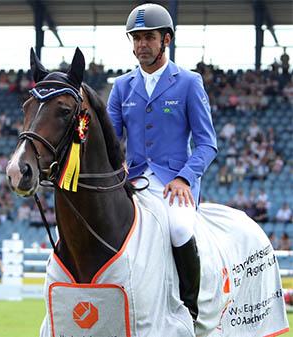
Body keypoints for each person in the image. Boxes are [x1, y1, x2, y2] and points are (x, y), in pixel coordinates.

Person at [107, 3, 218, 326]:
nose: (141, 45)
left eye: (148, 38)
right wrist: (118, 168)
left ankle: (189, 307)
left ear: (165, 40)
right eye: (136, 38)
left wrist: (185, 178)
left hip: (175, 182)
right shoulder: (122, 87)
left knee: (180, 227)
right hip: (134, 181)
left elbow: (207, 142)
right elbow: (113, 142)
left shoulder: (188, 82)